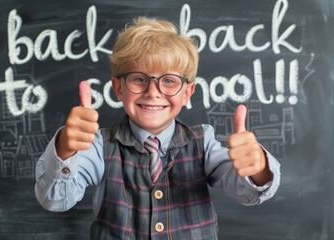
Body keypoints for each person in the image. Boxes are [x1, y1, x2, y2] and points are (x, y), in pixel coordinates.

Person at [35, 17, 280, 240]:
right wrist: (65, 151)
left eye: (169, 81)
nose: (153, 92)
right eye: (139, 79)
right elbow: (54, 200)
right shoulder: (100, 146)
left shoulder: (203, 143)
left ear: (187, 93)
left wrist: (257, 168)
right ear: (119, 88)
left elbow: (247, 191)